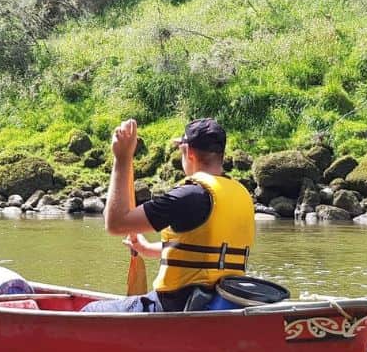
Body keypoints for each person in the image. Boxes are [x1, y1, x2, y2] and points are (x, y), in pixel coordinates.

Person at [86, 117, 255, 312]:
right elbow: (210, 252)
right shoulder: (241, 194)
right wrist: (147, 248)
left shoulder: (188, 196)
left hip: (177, 305)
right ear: (221, 154)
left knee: (90, 310)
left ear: (189, 153)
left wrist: (122, 158)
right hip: (224, 301)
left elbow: (115, 223)